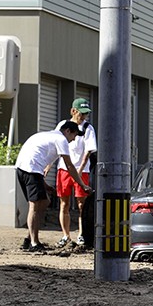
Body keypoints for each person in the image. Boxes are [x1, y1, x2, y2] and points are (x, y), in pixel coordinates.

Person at [15, 121, 93, 251]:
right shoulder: (61, 139)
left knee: (45, 202)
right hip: (30, 170)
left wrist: (45, 186)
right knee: (35, 205)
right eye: (73, 136)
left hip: (23, 169)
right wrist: (82, 185)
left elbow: (37, 162)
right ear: (67, 131)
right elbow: (69, 165)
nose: (73, 140)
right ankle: (34, 243)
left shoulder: (46, 136)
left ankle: (29, 238)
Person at [46, 98, 97, 248]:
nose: (83, 117)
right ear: (73, 111)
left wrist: (80, 169)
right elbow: (54, 146)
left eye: (86, 114)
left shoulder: (88, 128)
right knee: (64, 203)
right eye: (81, 114)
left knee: (82, 204)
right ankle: (65, 235)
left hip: (82, 170)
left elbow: (89, 150)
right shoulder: (63, 125)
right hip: (64, 169)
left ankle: (82, 234)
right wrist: (49, 165)